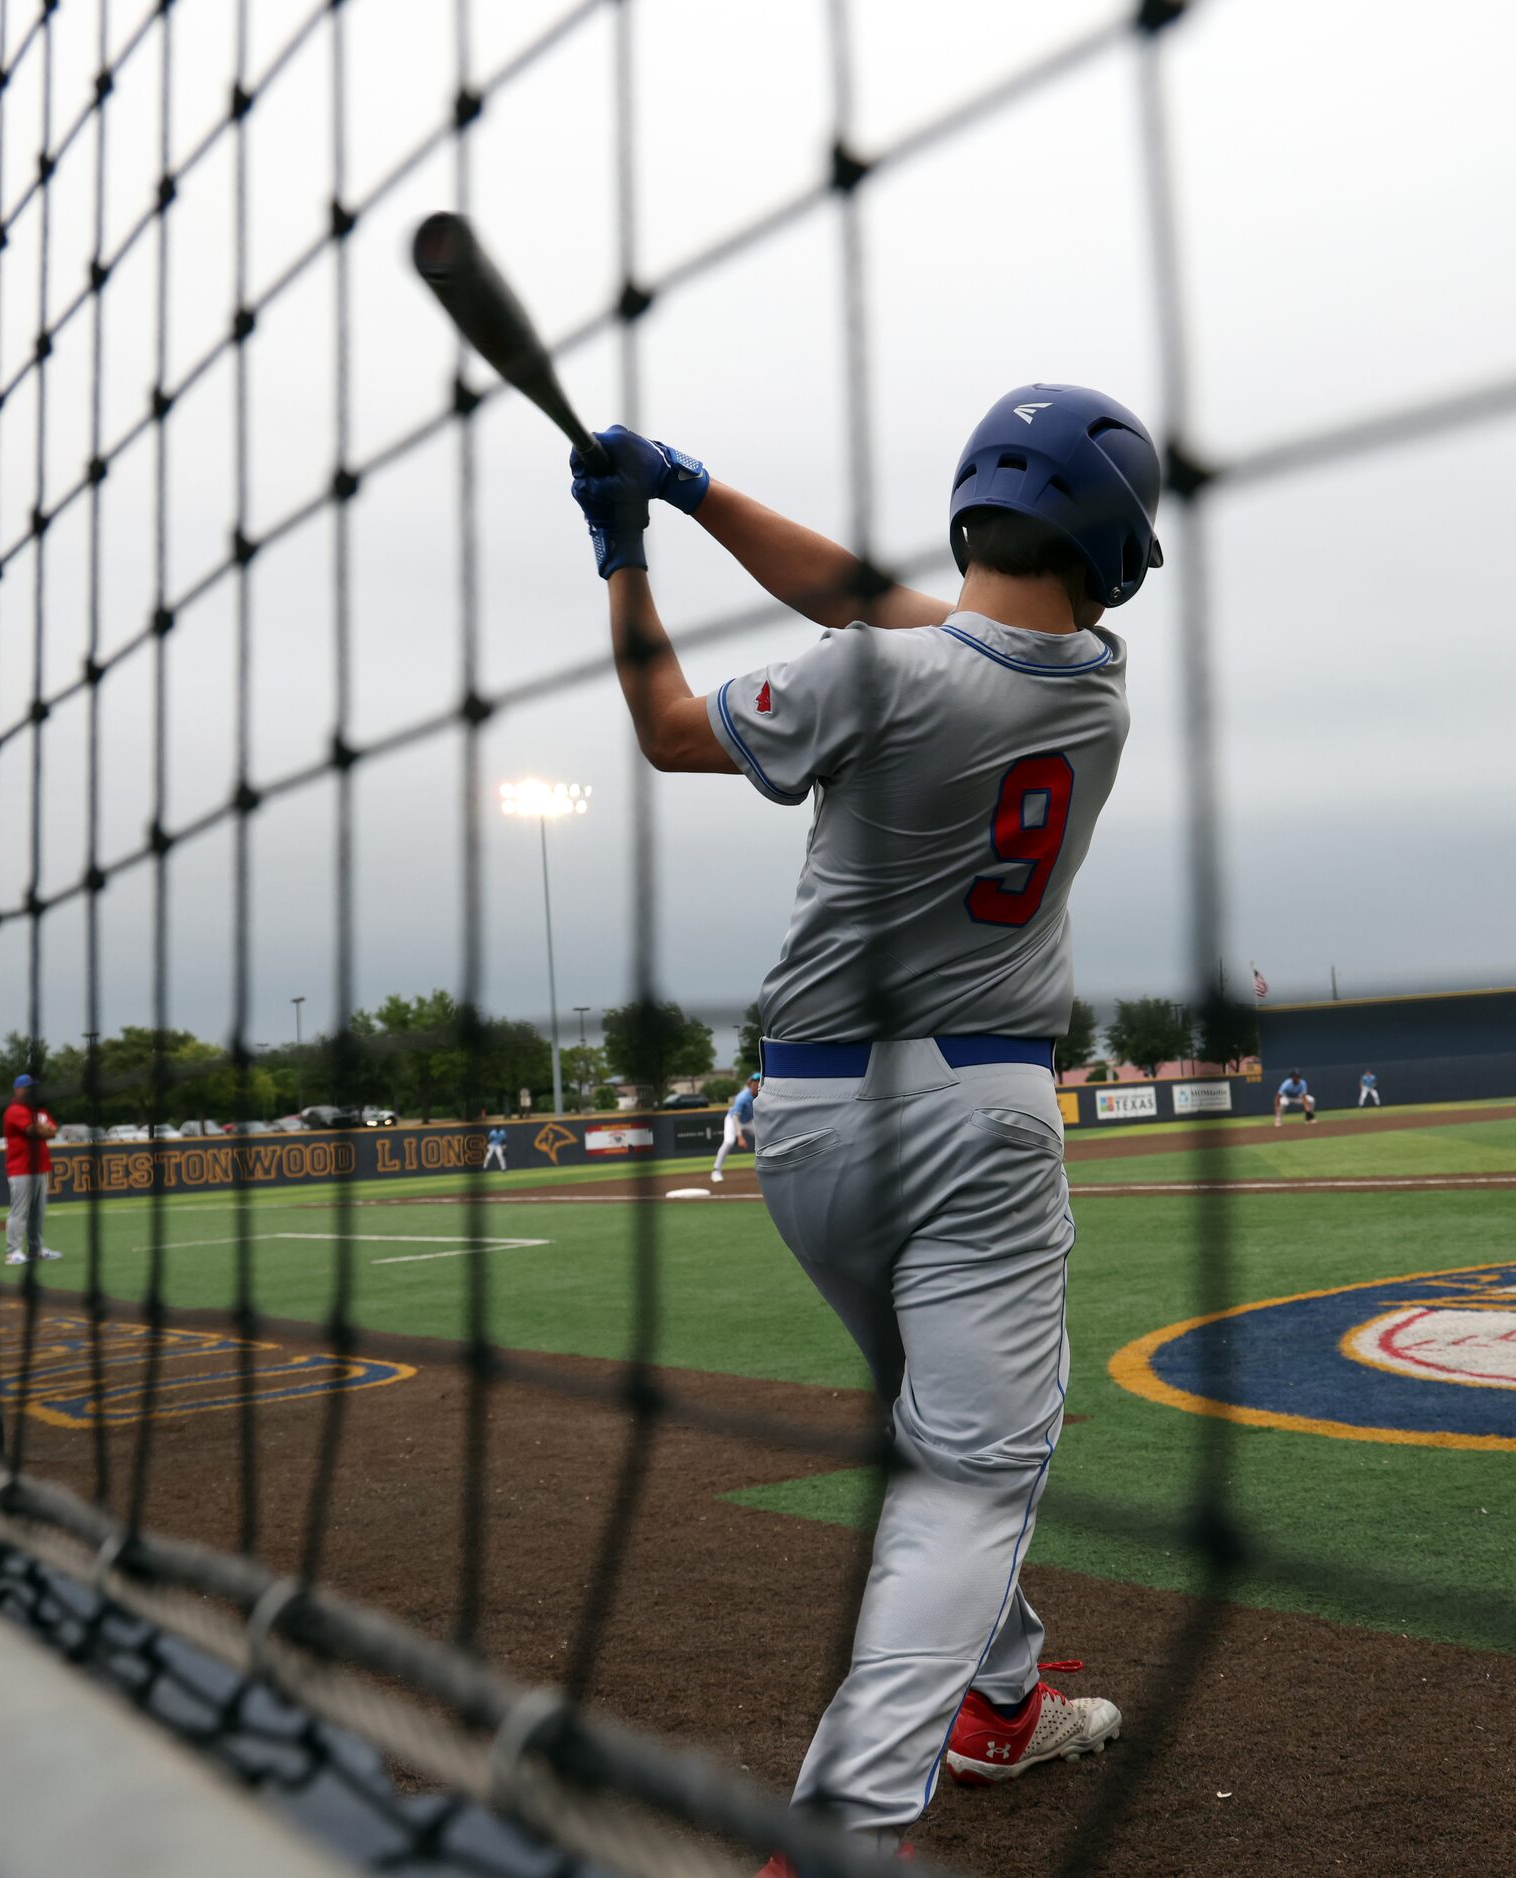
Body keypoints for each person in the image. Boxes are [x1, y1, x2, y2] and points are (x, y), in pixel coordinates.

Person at [570, 383, 1157, 1863]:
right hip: (976, 1120)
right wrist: (697, 494)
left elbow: (660, 725)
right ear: (1113, 547)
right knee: (965, 1473)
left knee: (938, 1440)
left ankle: (1005, 1701)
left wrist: (627, 545)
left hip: (810, 1127)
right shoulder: (1093, 680)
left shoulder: (867, 674)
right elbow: (877, 604)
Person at [3, 1073, 61, 1266]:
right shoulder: (15, 1110)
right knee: (19, 1212)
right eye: (29, 1088)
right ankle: (12, 1253)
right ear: (19, 1090)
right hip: (21, 1169)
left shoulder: (39, 1110)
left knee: (38, 1212)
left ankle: (36, 1250)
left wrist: (43, 1129)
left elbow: (53, 1130)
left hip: (40, 1168)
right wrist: (43, 1129)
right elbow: (34, 1131)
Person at [712, 1072, 762, 1182]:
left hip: (748, 1121)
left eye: (758, 1083)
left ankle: (765, 1167)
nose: (756, 1085)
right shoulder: (742, 1097)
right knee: (729, 1141)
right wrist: (740, 1137)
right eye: (754, 1083)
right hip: (733, 1120)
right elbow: (735, 1117)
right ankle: (716, 1170)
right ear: (749, 1085)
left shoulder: (761, 1096)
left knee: (764, 1137)